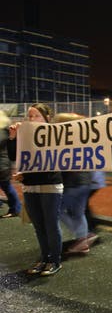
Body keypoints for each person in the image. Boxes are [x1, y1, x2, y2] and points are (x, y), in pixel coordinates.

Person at [9, 103, 64, 276]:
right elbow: (15, 157)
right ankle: (44, 258)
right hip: (30, 186)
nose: (32, 119)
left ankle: (55, 260)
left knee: (50, 224)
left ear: (47, 118)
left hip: (50, 185)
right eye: (30, 116)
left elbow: (54, 160)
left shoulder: (56, 135)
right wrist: (13, 138)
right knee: (39, 226)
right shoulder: (24, 134)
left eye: (36, 116)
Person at [54, 113, 93, 255]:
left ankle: (80, 236)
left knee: (56, 211)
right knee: (78, 212)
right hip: (85, 181)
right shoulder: (83, 138)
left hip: (72, 184)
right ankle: (82, 239)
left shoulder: (66, 141)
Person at [0, 110, 21, 218]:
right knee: (6, 186)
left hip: (2, 165)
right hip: (3, 164)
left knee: (7, 186)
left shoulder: (2, 130)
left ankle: (16, 208)